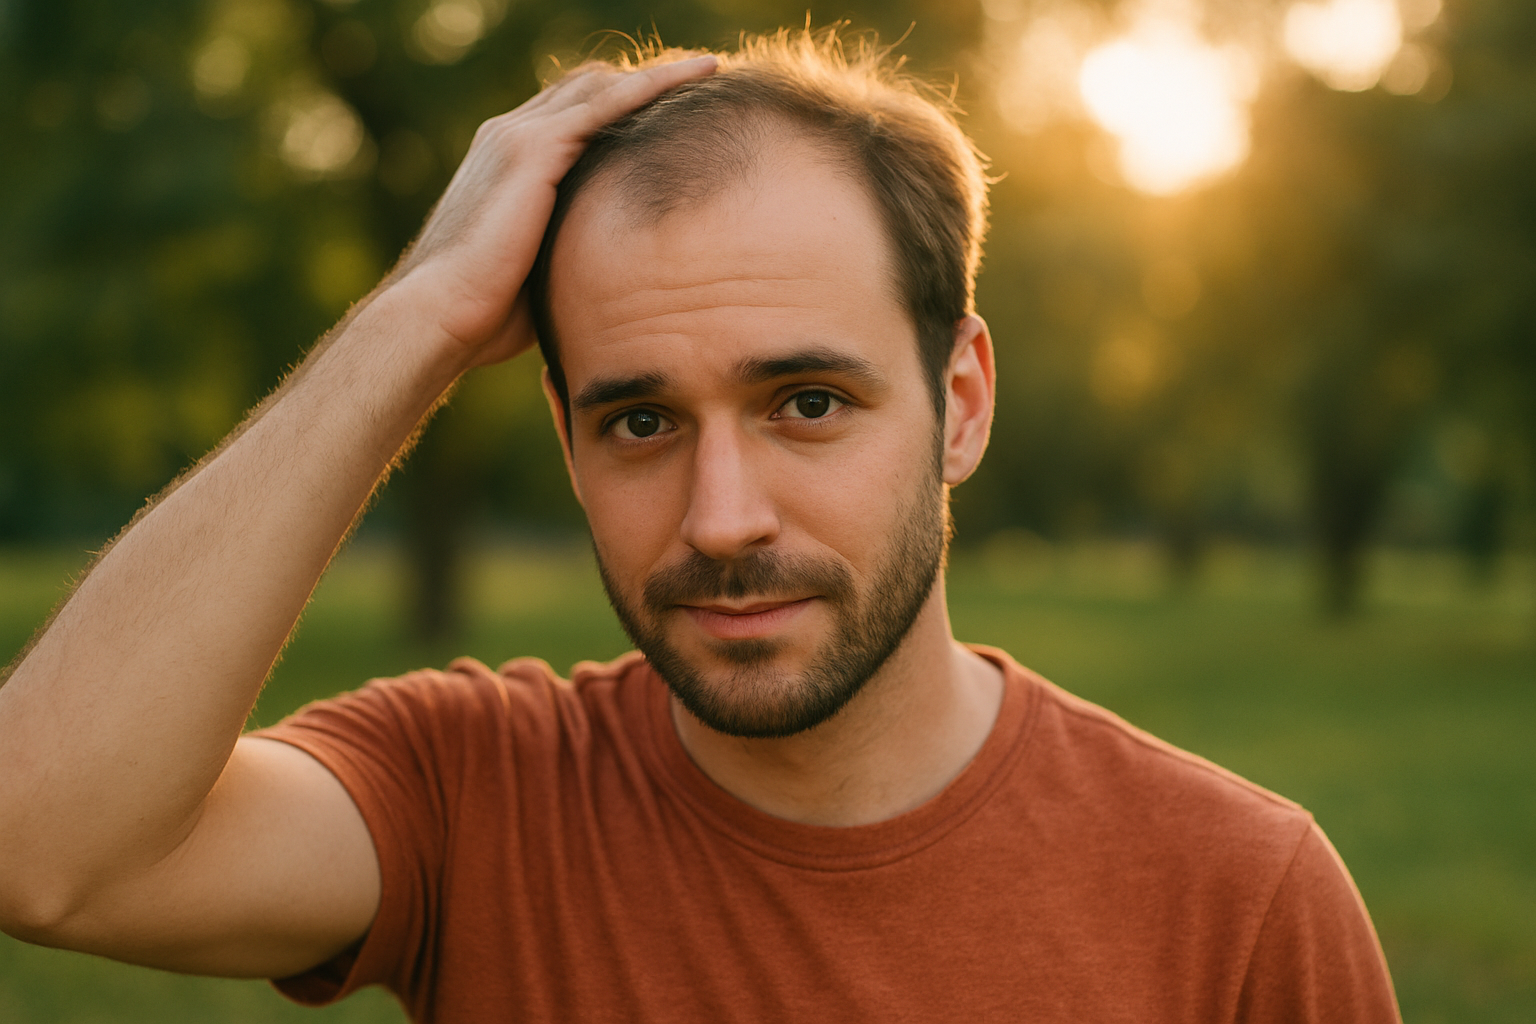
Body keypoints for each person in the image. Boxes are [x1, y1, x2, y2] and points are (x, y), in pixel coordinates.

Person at [0, 28, 1399, 1024]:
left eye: (806, 402)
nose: (721, 520)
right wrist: (412, 321)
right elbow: (40, 844)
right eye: (641, 422)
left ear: (960, 402)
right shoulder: (475, 797)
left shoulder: (1241, 897)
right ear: (568, 440)